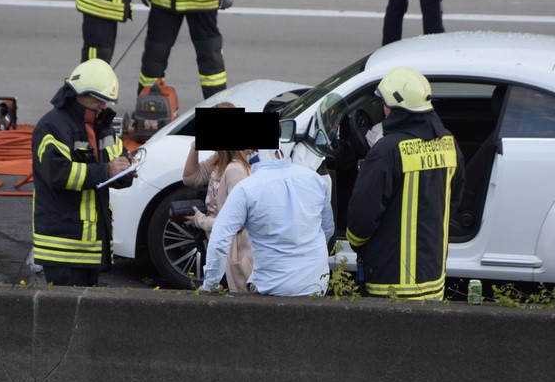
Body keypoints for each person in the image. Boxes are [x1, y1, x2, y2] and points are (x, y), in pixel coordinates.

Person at [345, 67, 464, 300]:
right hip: (433, 278)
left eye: (385, 104)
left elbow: (363, 215)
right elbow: (454, 199)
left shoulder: (387, 150)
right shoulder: (448, 142)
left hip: (390, 282)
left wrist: (356, 242)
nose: (383, 109)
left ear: (394, 108)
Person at [31, 58, 138, 286]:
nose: (104, 106)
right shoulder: (52, 127)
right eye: (99, 100)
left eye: (106, 101)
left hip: (91, 246)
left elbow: (116, 160)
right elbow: (58, 175)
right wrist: (107, 170)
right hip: (62, 248)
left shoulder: (102, 126)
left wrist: (126, 170)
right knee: (65, 318)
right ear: (80, 93)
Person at [202, 148, 333, 297]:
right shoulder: (315, 180)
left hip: (271, 287)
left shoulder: (246, 188)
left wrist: (210, 286)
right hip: (317, 285)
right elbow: (327, 229)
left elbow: (219, 240)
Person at [182, 104, 254, 292]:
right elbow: (191, 178)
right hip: (219, 243)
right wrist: (195, 146)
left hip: (231, 249)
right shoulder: (218, 160)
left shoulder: (236, 170)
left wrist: (201, 221)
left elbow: (238, 223)